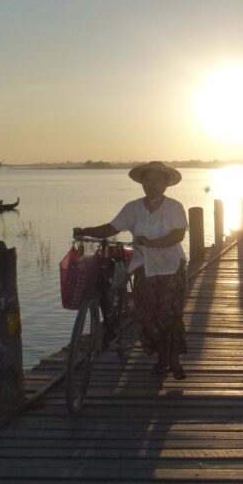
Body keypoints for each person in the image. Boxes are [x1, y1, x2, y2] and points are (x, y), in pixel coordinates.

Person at [73, 161, 189, 379]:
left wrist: (152, 243)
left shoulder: (175, 207)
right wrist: (85, 230)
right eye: (148, 180)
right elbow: (111, 228)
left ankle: (173, 360)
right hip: (144, 267)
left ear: (166, 184)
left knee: (170, 314)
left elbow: (178, 235)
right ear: (142, 183)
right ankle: (161, 357)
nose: (152, 184)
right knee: (147, 315)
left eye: (157, 180)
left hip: (171, 267)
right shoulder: (132, 208)